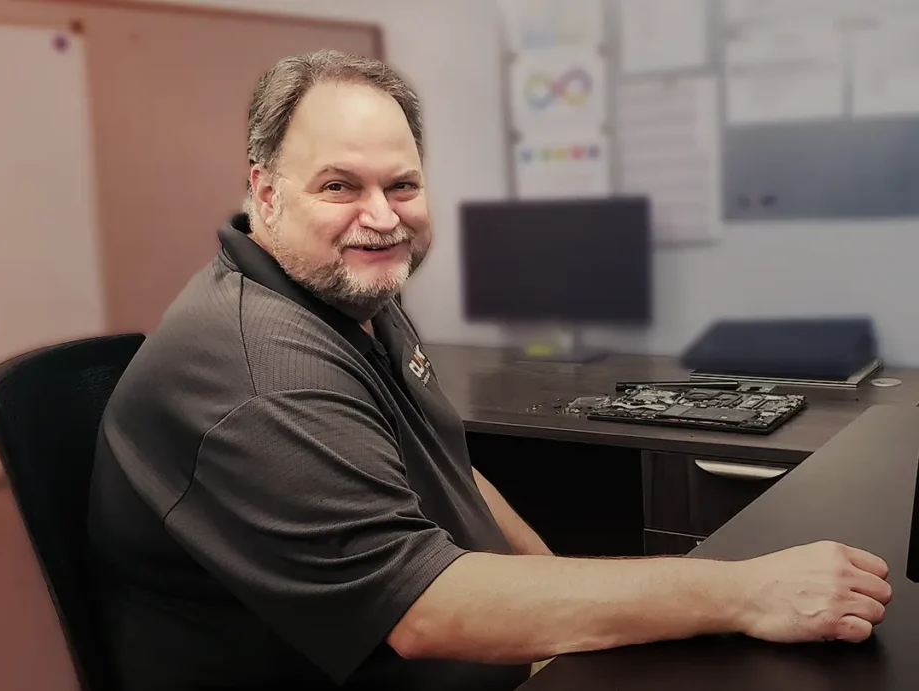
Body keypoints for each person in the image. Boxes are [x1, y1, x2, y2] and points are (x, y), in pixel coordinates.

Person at [86, 50, 892, 691]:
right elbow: (425, 610)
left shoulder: (350, 295)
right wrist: (744, 591)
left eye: (402, 185)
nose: (380, 216)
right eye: (339, 185)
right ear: (264, 193)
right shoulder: (265, 372)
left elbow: (452, 472)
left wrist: (554, 623)